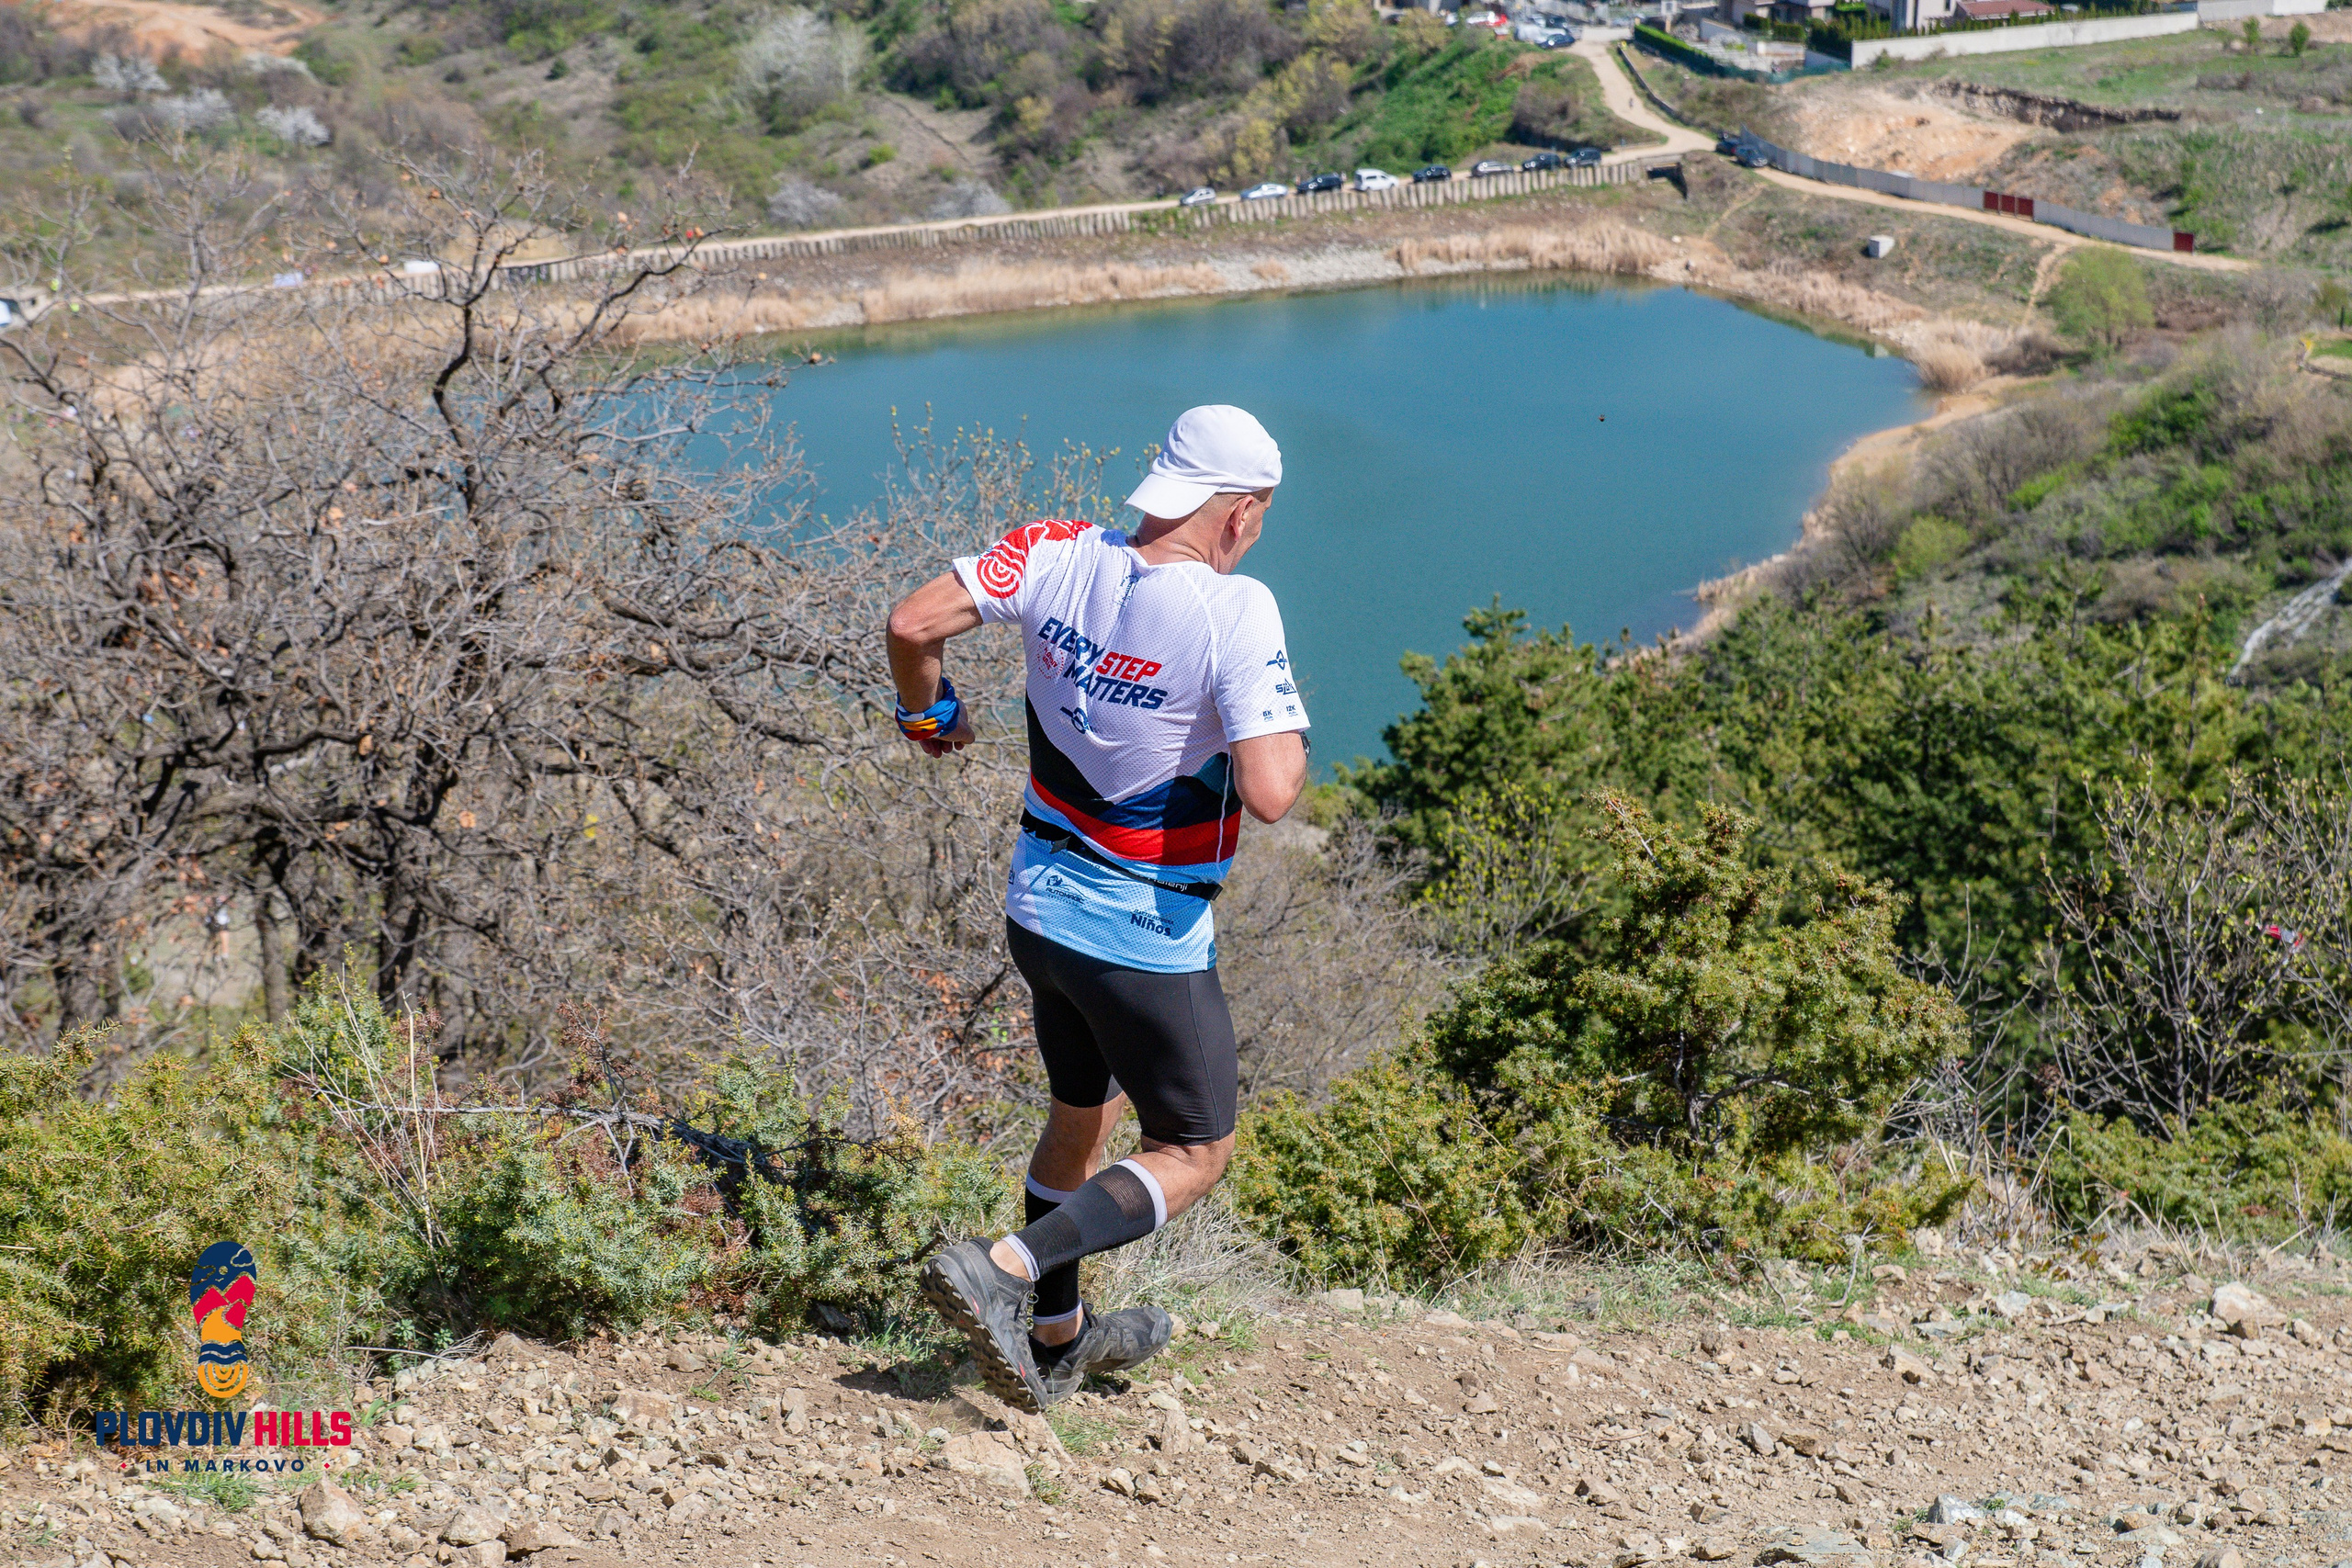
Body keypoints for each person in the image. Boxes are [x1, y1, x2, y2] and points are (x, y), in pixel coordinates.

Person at [884, 404, 1309, 1411]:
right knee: (1195, 1149)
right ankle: (1006, 1269)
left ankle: (1059, 1339)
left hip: (1037, 908)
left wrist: (926, 712)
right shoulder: (1235, 608)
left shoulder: (1056, 551)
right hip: (1141, 933)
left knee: (1083, 1113)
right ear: (1242, 514)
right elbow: (1273, 790)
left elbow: (912, 623)